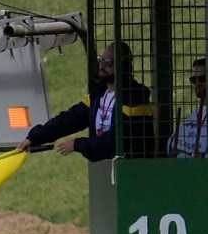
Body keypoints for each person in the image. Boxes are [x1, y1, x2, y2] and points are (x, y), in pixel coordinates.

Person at [15, 41, 152, 160]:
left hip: (133, 171)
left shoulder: (134, 100)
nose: (101, 66)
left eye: (108, 63)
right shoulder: (99, 96)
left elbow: (117, 143)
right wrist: (34, 138)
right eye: (100, 60)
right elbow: (69, 120)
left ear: (123, 67)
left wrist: (78, 144)